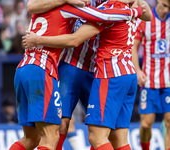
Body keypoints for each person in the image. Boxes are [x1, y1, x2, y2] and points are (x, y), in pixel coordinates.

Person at [10, 1, 143, 150]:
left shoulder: (57, 6)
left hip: (93, 70)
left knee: (102, 131)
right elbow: (99, 18)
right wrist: (133, 12)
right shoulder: (69, 7)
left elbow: (31, 6)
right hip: (68, 67)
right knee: (60, 129)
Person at [132, 0, 170, 149]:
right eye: (165, 6)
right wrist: (137, 70)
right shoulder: (145, 19)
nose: (166, 10)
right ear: (158, 1)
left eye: (169, 8)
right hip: (149, 81)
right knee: (146, 124)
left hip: (168, 81)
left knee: (169, 121)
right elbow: (133, 47)